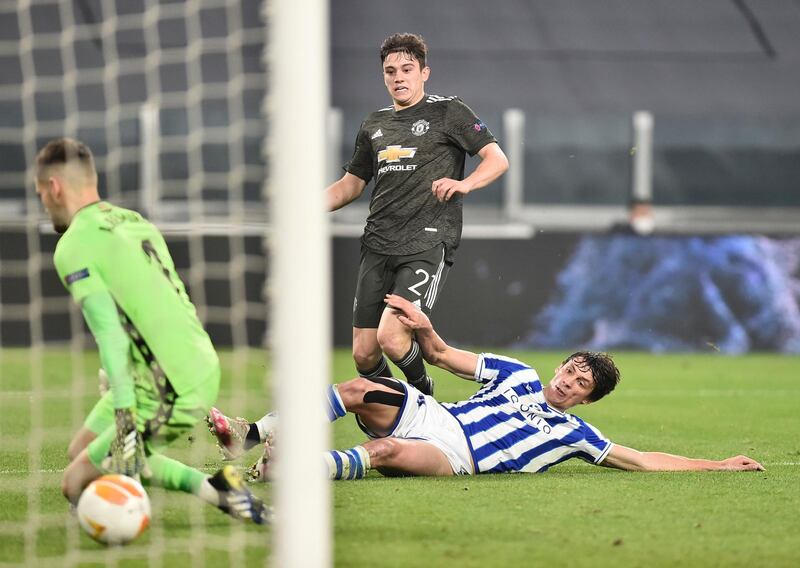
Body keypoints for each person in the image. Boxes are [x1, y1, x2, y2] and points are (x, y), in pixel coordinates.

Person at [207, 294, 764, 480]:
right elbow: (444, 356)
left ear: (589, 399)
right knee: (358, 386)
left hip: (457, 454)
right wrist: (424, 328)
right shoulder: (517, 372)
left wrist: (716, 466)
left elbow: (641, 460)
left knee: (383, 451)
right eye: (572, 368)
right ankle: (252, 434)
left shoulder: (575, 432)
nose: (571, 379)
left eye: (583, 382)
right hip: (437, 415)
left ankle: (291, 471)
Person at [34, 138, 270, 524]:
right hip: (188, 359)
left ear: (54, 187)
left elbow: (108, 332)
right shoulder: (134, 220)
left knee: (75, 483)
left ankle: (203, 493)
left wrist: (125, 411)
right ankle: (218, 487)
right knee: (82, 447)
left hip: (169, 385)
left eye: (41, 192)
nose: (43, 201)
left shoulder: (73, 244)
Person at [326, 33, 509, 396]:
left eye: (407, 69)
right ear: (383, 77)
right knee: (364, 354)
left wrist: (465, 184)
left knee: (392, 337)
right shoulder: (373, 124)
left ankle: (423, 392)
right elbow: (352, 184)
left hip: (426, 241)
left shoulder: (448, 111)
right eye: (390, 71)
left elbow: (497, 159)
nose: (398, 77)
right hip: (378, 243)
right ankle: (396, 413)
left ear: (424, 73)